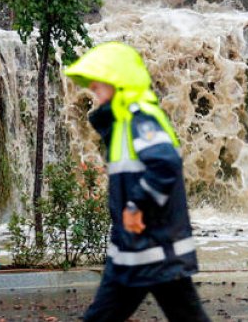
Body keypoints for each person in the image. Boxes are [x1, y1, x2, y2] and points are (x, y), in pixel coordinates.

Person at [64, 41, 210, 322]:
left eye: (98, 86)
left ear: (118, 82)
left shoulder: (139, 119)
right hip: (133, 250)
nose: (93, 92)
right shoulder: (122, 122)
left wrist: (135, 206)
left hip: (154, 248)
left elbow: (165, 164)